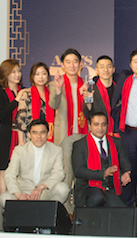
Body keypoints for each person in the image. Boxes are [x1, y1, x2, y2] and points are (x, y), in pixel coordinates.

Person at [111, 48, 137, 209]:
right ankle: (126, 212)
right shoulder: (126, 80)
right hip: (128, 133)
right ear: (130, 64)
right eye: (135, 61)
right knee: (128, 174)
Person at [48, 48, 88, 200]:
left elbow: (90, 109)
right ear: (63, 65)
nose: (72, 65)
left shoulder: (85, 84)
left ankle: (78, 206)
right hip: (65, 135)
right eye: (68, 62)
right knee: (66, 174)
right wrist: (58, 90)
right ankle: (64, 209)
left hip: (83, 134)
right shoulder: (56, 83)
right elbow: (52, 105)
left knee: (81, 175)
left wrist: (88, 96)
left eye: (75, 62)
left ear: (81, 64)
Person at [0, 119, 70, 207]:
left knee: (63, 189)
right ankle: (25, 211)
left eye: (42, 132)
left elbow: (59, 174)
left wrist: (41, 187)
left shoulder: (56, 150)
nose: (39, 136)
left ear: (48, 134)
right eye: (34, 133)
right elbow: (10, 174)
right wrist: (19, 195)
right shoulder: (19, 150)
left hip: (43, 192)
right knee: (4, 198)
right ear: (29, 135)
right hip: (23, 191)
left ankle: (46, 213)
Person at [71, 112, 132, 208]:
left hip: (111, 188)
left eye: (103, 125)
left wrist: (126, 173)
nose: (100, 128)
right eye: (96, 124)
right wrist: (103, 173)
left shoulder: (116, 142)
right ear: (89, 126)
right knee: (98, 197)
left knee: (123, 213)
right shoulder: (80, 145)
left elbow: (125, 162)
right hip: (88, 187)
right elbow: (78, 171)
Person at [0, 59, 28, 195]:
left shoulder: (24, 92)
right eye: (13, 72)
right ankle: (4, 203)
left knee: (21, 171)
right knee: (4, 170)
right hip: (5, 135)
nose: (17, 74)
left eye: (18, 71)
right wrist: (15, 101)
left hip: (22, 135)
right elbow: (1, 115)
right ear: (5, 74)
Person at [14, 63, 55, 144]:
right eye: (37, 74)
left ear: (48, 76)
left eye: (44, 74)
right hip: (29, 140)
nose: (41, 77)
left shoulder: (52, 95)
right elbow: (20, 119)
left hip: (48, 139)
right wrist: (21, 141)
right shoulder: (27, 94)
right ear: (32, 76)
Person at [82, 56, 117, 136]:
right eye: (102, 67)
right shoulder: (91, 89)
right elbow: (87, 115)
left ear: (113, 69)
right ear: (96, 70)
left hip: (117, 135)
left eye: (109, 67)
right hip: (98, 134)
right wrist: (88, 104)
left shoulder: (119, 89)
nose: (105, 70)